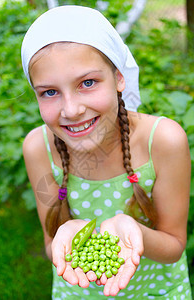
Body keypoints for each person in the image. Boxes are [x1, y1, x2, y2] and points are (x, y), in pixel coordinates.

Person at [21, 5, 192, 299]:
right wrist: (66, 237)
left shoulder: (163, 141)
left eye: (88, 83)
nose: (72, 110)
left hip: (156, 291)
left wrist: (135, 231)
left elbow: (174, 246)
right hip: (77, 290)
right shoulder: (39, 149)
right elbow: (52, 243)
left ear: (119, 77)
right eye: (49, 92)